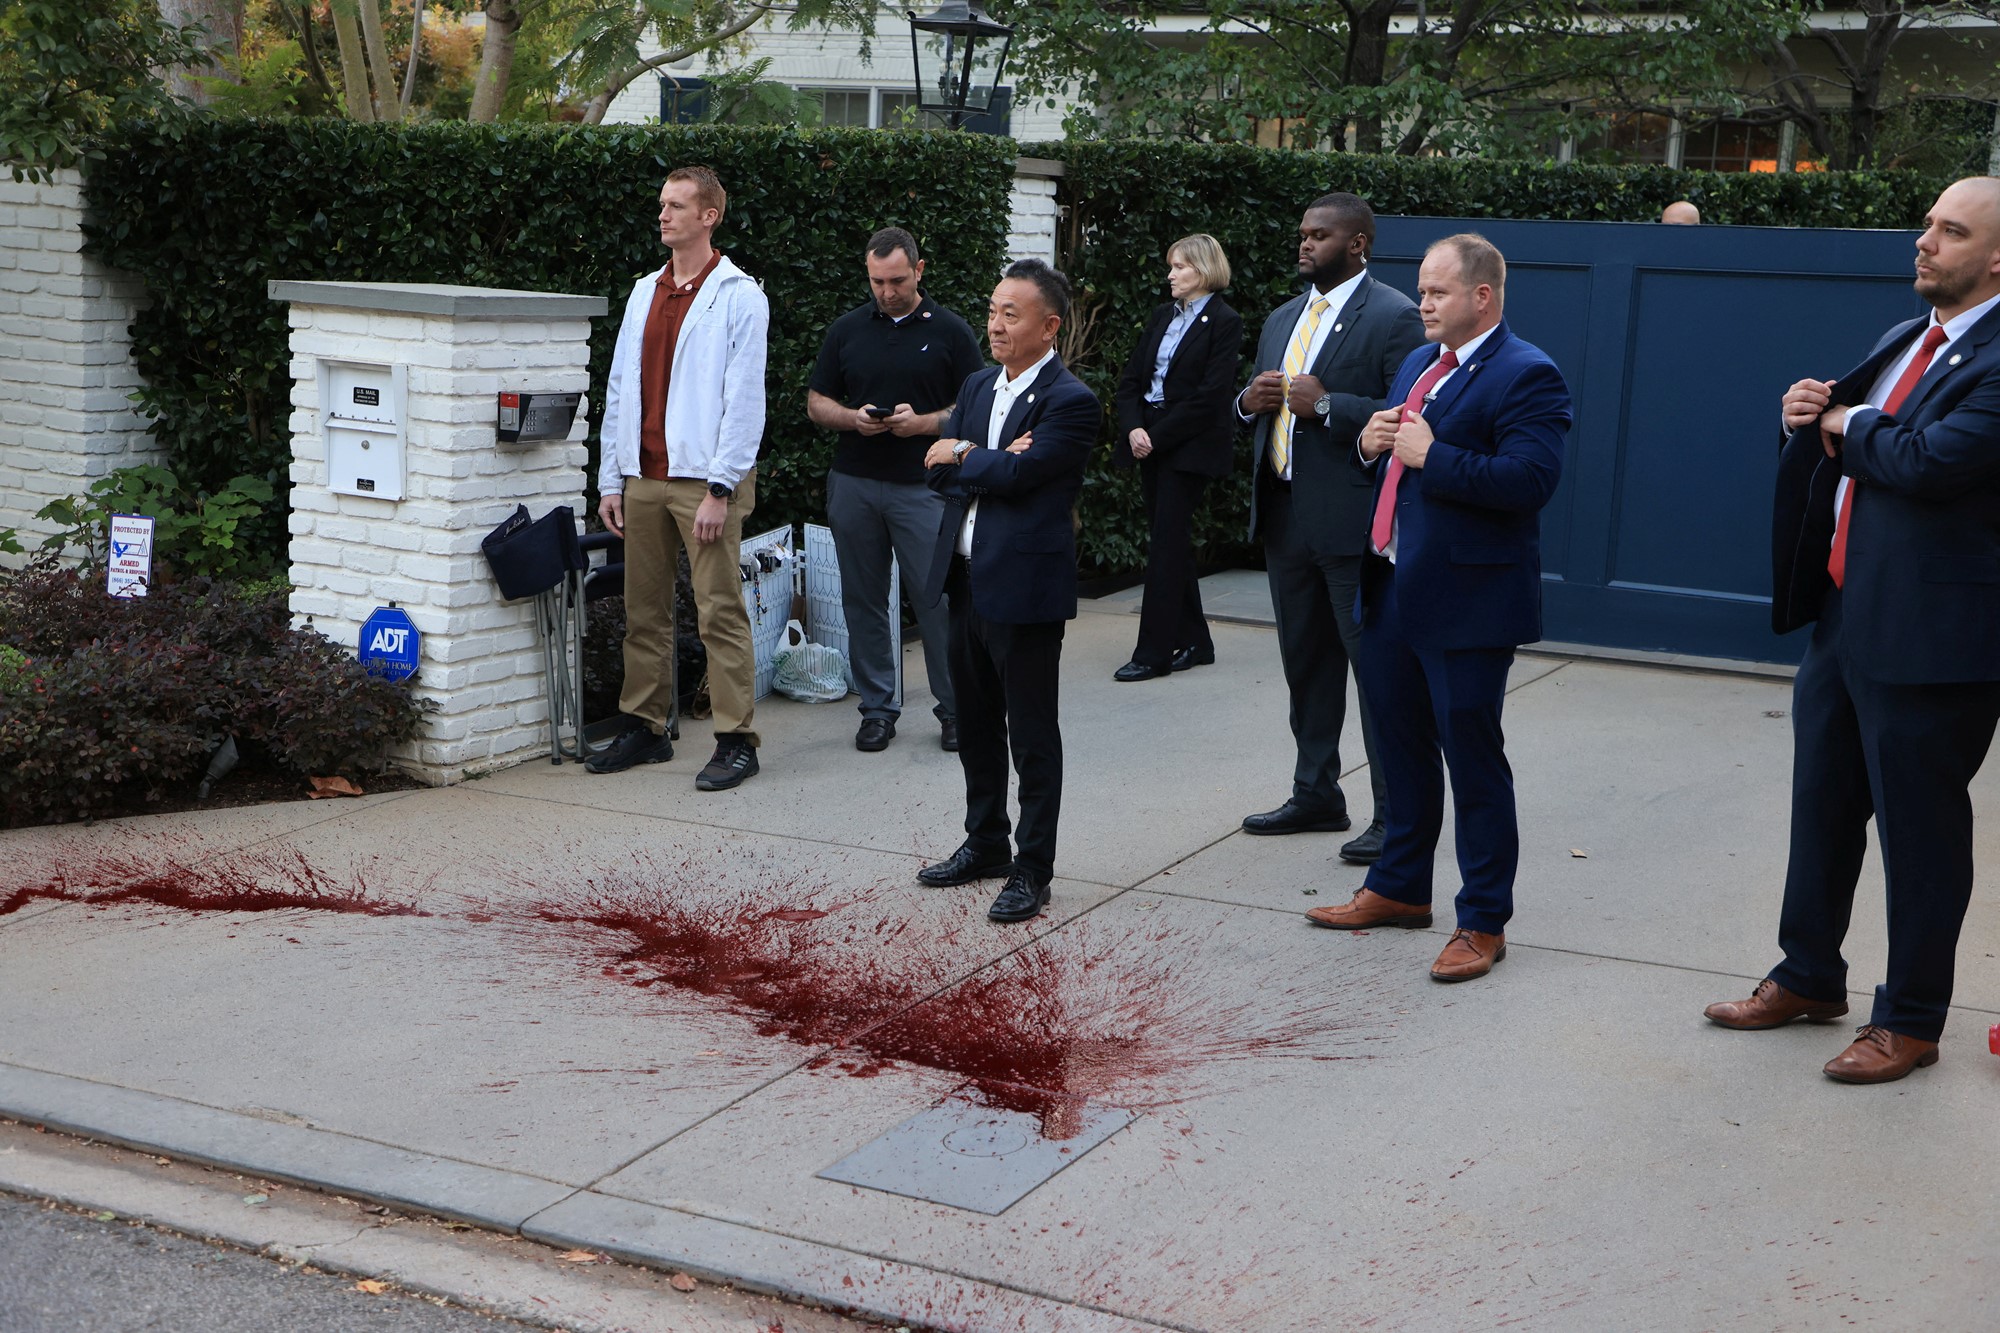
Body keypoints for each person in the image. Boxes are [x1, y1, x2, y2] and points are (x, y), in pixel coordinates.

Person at [1703, 176, 2000, 1084]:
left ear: (1995, 258)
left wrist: (1846, 421)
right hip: (1846, 620)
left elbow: (1931, 457)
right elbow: (1851, 431)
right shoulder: (1908, 336)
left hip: (1933, 639)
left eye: (1949, 231)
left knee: (1920, 835)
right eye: (1927, 224)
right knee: (1823, 811)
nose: (1925, 242)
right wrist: (1809, 412)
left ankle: (1909, 1018)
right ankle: (1808, 975)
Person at [1309, 233, 1571, 984]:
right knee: (1397, 746)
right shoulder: (1422, 363)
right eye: (1421, 290)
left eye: (1436, 292)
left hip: (1470, 603)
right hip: (1393, 586)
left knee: (1472, 759)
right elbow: (1395, 454)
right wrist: (1369, 442)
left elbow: (1529, 482)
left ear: (1481, 296)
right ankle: (1397, 887)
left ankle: (1482, 919)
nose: (1421, 302)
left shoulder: (1529, 374)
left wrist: (1435, 456)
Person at [1237, 193, 1426, 865]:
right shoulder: (1284, 317)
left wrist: (1329, 407)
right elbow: (1262, 403)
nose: (1305, 244)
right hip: (1286, 515)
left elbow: (1408, 411)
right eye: (1302, 232)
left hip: (1352, 526)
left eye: (1320, 235)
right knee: (1306, 664)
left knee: (1375, 670)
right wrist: (1247, 402)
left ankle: (1394, 813)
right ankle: (1315, 791)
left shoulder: (1394, 316)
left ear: (1359, 245)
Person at [914, 259, 1101, 923]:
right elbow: (933, 472)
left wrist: (966, 455)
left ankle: (1032, 866)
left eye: (1011, 314)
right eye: (993, 310)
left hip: (1023, 589)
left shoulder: (1070, 401)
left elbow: (1029, 477)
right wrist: (981, 457)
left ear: (1048, 326)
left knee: (1030, 733)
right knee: (974, 727)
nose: (995, 323)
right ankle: (986, 840)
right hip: (964, 579)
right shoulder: (974, 385)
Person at [590, 165, 769, 791]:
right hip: (643, 476)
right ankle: (645, 728)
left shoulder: (740, 295)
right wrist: (612, 478)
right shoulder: (645, 291)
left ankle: (735, 738)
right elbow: (620, 386)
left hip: (703, 481)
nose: (663, 214)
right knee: (643, 610)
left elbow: (745, 400)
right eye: (661, 203)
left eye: (676, 205)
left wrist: (722, 487)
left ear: (708, 215)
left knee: (719, 610)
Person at [807, 228, 986, 752]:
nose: (886, 292)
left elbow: (975, 410)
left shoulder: (952, 331)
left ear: (920, 270)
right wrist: (851, 417)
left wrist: (926, 423)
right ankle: (877, 710)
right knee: (861, 600)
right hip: (855, 481)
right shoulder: (847, 330)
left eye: (897, 281)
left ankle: (955, 710)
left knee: (938, 601)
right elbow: (817, 401)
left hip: (924, 487)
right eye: (877, 281)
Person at [1108, 234, 1245, 681]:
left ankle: (1154, 653)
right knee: (1172, 542)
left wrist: (1155, 437)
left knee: (1165, 546)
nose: (1170, 274)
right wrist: (1133, 428)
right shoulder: (1161, 316)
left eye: (1180, 267)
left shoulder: (1225, 322)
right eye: (1171, 266)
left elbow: (1209, 399)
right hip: (1148, 437)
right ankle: (1198, 642)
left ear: (1203, 271)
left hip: (1188, 447)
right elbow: (1131, 381)